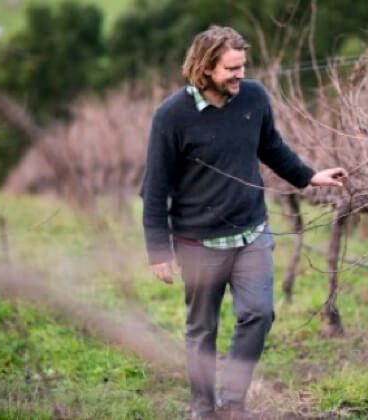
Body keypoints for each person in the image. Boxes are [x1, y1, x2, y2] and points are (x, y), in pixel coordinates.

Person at [140, 25, 347, 420]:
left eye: (242, 66)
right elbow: (155, 187)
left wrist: (309, 176)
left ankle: (232, 404)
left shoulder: (253, 97)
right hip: (198, 244)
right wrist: (157, 249)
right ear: (205, 68)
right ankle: (202, 409)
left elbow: (271, 146)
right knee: (202, 329)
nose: (240, 74)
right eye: (231, 68)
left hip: (251, 232)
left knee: (259, 314)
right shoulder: (171, 117)